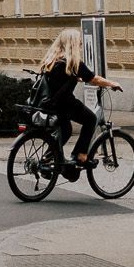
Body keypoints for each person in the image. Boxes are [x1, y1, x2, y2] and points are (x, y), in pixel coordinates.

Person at [37, 27, 123, 180]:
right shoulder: (72, 62)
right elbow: (93, 78)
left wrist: (75, 78)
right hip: (63, 103)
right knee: (90, 119)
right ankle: (81, 155)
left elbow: (59, 79)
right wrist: (112, 84)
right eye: (80, 44)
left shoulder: (52, 60)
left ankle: (48, 158)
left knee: (66, 129)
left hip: (48, 103)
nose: (81, 47)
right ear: (73, 44)